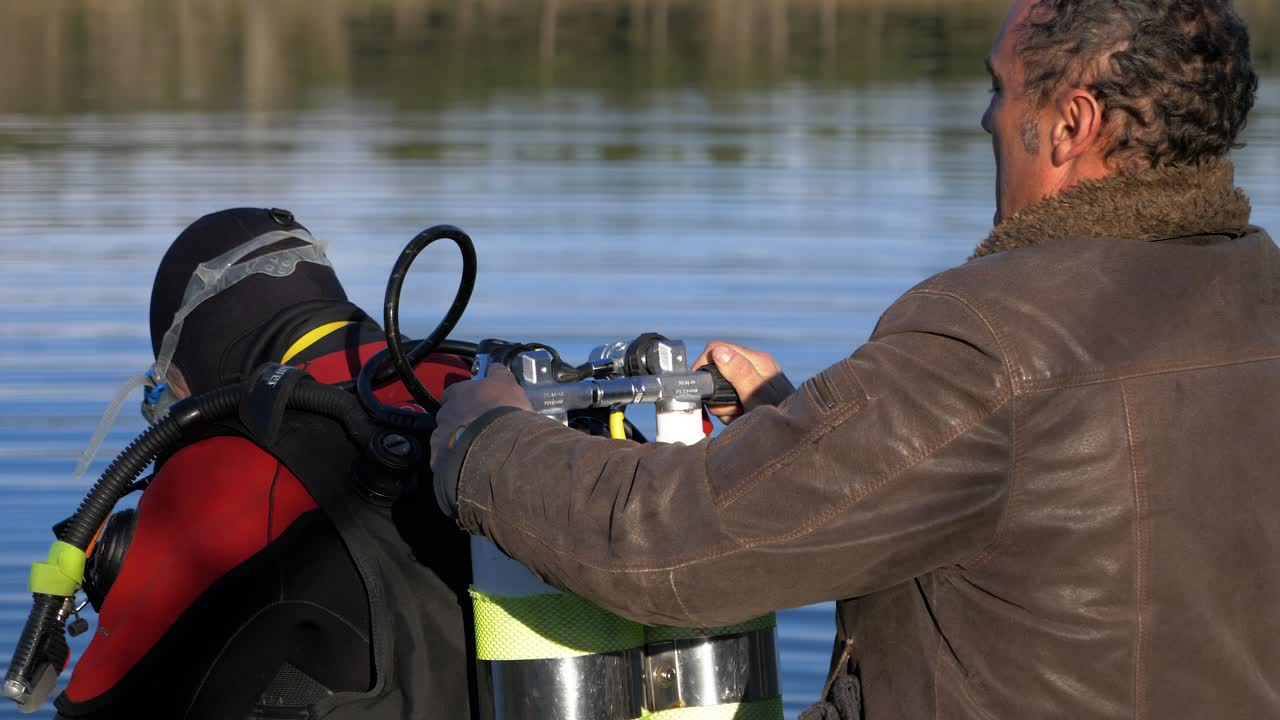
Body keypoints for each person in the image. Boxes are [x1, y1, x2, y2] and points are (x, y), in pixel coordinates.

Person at [428, 0, 1275, 717]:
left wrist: (485, 437)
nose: (984, 118)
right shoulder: (1260, 293)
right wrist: (794, 429)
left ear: (1072, 123)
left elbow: (667, 548)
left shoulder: (990, 336)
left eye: (999, 89)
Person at [55, 208, 490, 720]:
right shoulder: (485, 389)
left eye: (168, 390)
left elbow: (106, 709)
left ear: (189, 365)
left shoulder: (227, 467)